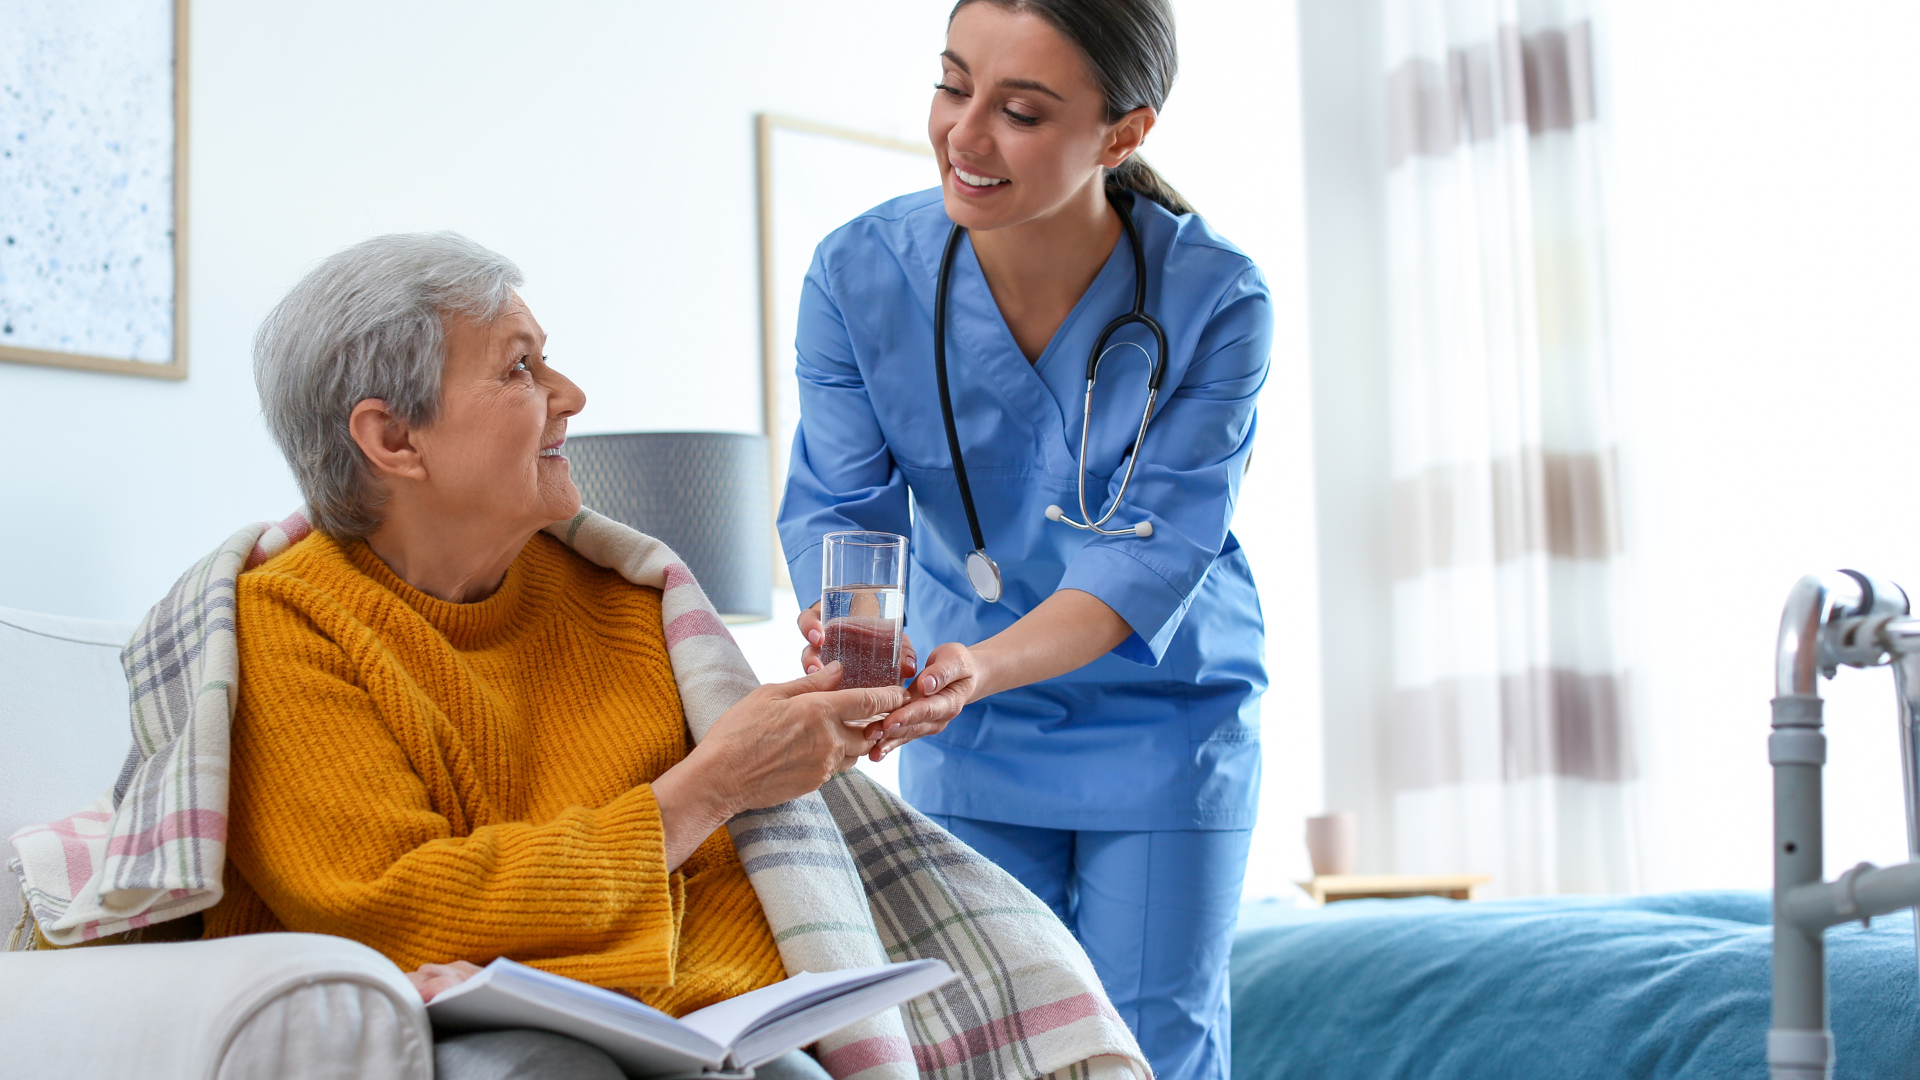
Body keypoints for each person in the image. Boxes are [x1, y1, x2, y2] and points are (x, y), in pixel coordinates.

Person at [207, 232, 903, 1080]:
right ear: (394, 439)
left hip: (692, 1025)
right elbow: (396, 911)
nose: (570, 394)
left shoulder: (622, 603)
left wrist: (823, 730)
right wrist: (715, 782)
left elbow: (728, 887)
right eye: (520, 368)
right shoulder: (288, 626)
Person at [777, 4, 1270, 1080]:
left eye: (1022, 111)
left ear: (1123, 134)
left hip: (1162, 717)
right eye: (955, 87)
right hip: (966, 728)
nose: (965, 134)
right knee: (983, 1049)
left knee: (1147, 1045)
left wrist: (976, 667)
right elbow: (843, 512)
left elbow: (1152, 554)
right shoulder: (861, 275)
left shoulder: (1214, 297)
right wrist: (856, 643)